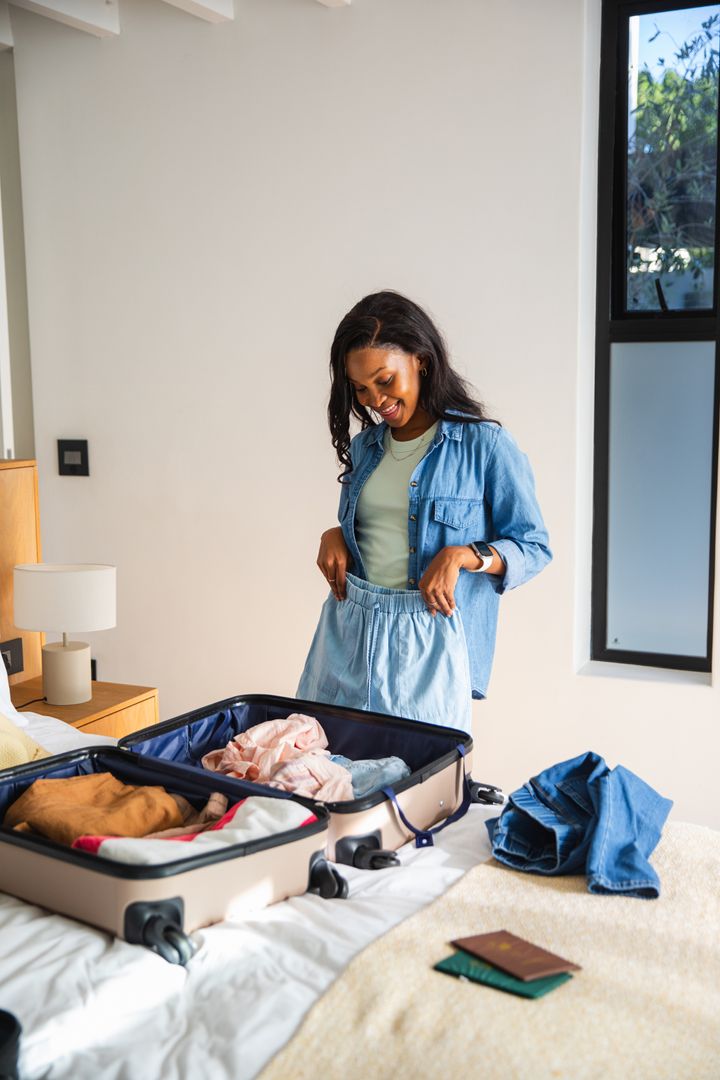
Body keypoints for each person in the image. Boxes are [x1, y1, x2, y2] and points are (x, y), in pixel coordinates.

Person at [297, 291, 551, 732]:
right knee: (319, 758)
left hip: (429, 642)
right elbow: (379, 532)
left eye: (384, 380)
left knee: (416, 767)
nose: (375, 399)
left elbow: (533, 547)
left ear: (421, 360)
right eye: (361, 388)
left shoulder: (485, 446)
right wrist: (334, 534)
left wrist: (465, 555)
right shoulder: (365, 448)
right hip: (349, 628)